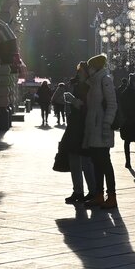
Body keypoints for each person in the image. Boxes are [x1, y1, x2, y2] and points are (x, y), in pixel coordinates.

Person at [82, 54, 118, 208]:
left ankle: (112, 196)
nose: (88, 69)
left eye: (90, 66)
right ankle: (99, 195)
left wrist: (106, 124)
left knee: (105, 163)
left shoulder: (105, 80)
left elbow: (112, 104)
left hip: (102, 128)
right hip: (94, 128)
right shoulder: (93, 83)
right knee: (96, 163)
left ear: (95, 67)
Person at [59, 62, 97, 203]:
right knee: (74, 159)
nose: (79, 74)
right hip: (74, 126)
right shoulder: (77, 85)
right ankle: (78, 192)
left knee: (86, 161)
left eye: (81, 71)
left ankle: (93, 191)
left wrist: (74, 101)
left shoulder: (91, 86)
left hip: (84, 126)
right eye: (78, 71)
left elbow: (89, 106)